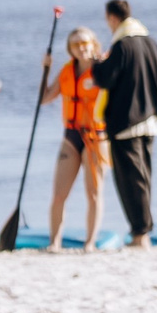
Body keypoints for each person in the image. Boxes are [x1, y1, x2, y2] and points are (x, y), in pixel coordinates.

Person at [79, 0, 157, 248]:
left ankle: (140, 234)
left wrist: (97, 64)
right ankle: (142, 231)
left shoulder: (122, 45)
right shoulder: (150, 42)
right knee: (144, 176)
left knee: (130, 180)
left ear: (112, 18)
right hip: (150, 118)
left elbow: (106, 79)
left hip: (127, 121)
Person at [43, 27, 109, 249]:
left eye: (85, 43)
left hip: (96, 137)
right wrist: (45, 70)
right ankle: (54, 243)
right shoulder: (66, 71)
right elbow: (43, 99)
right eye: (76, 45)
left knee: (93, 193)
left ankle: (89, 242)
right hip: (71, 136)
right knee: (58, 195)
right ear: (70, 50)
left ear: (93, 44)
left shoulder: (104, 69)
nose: (81, 48)